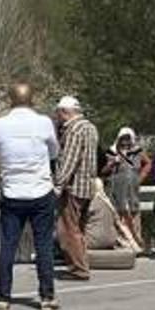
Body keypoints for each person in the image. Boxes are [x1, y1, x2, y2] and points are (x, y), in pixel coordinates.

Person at [0, 83, 61, 310]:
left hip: (12, 191)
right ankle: (47, 296)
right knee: (43, 245)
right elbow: (54, 151)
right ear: (32, 98)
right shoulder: (43, 122)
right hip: (40, 190)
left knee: (8, 245)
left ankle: (3, 295)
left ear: (10, 99)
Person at [52, 95, 99, 281]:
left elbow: (69, 160)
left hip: (73, 187)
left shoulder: (73, 130)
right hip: (87, 185)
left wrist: (58, 185)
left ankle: (78, 268)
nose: (57, 117)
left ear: (65, 112)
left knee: (68, 229)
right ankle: (82, 263)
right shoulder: (90, 127)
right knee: (79, 228)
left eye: (58, 113)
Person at [102, 126, 152, 250]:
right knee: (117, 214)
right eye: (122, 139)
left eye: (127, 139)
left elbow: (148, 164)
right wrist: (113, 163)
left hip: (132, 189)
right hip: (115, 188)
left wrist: (140, 178)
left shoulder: (137, 151)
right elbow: (103, 171)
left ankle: (136, 243)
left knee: (133, 213)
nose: (125, 143)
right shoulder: (111, 152)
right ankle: (120, 242)